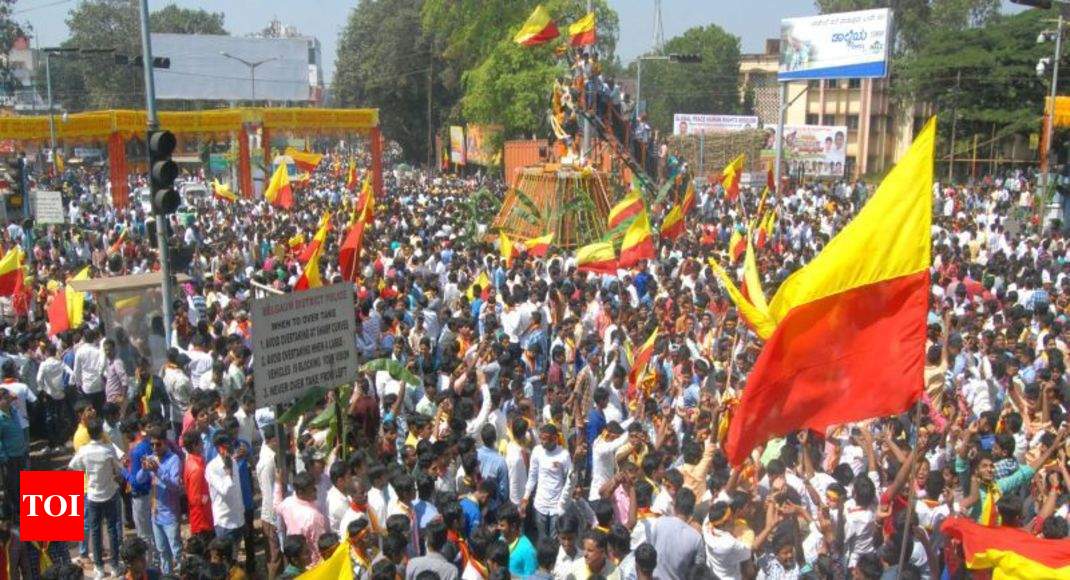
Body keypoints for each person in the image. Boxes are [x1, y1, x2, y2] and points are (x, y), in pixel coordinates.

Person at [68, 417, 124, 578]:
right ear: (100, 432)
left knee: (95, 531)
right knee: (112, 530)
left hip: (92, 495)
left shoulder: (84, 451)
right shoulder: (108, 449)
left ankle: (99, 567)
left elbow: (73, 466)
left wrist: (87, 474)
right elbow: (119, 469)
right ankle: (114, 565)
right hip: (110, 494)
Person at [137, 424, 183, 575]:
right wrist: (144, 469)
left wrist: (158, 470)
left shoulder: (173, 460)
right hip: (155, 515)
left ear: (165, 442)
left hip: (170, 514)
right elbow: (138, 480)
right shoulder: (151, 458)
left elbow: (176, 486)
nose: (155, 448)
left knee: (176, 551)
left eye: (158, 444)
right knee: (162, 551)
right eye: (152, 445)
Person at [523, 424, 574, 543]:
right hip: (540, 505)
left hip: (557, 506)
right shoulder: (537, 451)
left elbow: (570, 480)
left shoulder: (563, 455)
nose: (542, 442)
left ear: (555, 438)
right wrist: (526, 497)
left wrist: (564, 502)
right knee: (542, 538)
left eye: (546, 439)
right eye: (541, 438)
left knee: (555, 539)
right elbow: (532, 475)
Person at [276, 471, 331, 566]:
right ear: (301, 492)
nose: (315, 490)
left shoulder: (287, 503)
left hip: (295, 558)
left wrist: (277, 484)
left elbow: (276, 506)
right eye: (312, 489)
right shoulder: (313, 516)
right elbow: (319, 545)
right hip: (312, 564)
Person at [182, 429, 214, 542]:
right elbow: (196, 498)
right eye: (201, 442)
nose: (203, 444)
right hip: (202, 521)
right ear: (195, 446)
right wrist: (210, 497)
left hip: (202, 518)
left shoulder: (194, 462)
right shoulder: (196, 469)